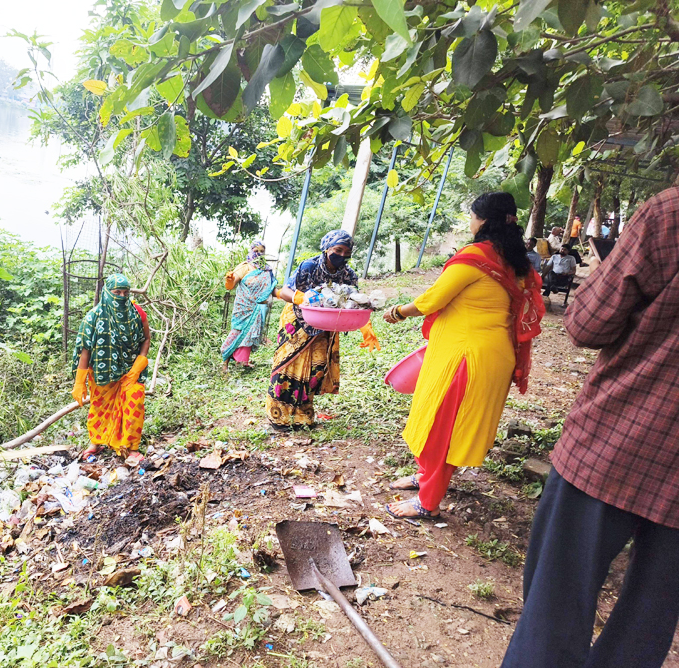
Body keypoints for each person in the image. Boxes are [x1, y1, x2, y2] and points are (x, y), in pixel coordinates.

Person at [500, 187, 679, 668]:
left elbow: (587, 325)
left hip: (617, 442)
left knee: (553, 613)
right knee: (648, 626)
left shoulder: (669, 214)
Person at [385, 193, 544, 519]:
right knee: (451, 425)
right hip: (490, 356)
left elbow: (433, 299)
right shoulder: (514, 259)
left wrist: (398, 312)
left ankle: (427, 503)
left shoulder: (476, 255)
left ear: (483, 220)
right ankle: (427, 478)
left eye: (472, 216)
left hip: (467, 359)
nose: (470, 222)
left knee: (443, 429)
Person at [265, 230, 379, 430]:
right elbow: (284, 291)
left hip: (326, 327)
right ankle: (278, 417)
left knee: (315, 371)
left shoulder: (348, 274)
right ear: (327, 248)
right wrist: (301, 298)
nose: (342, 255)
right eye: (338, 250)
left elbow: (355, 303)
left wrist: (366, 327)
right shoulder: (309, 266)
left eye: (347, 252)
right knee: (287, 367)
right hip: (297, 322)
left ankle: (303, 418)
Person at [71, 274, 151, 461]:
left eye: (125, 292)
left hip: (130, 372)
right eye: (117, 292)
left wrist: (138, 367)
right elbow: (85, 349)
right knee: (99, 407)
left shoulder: (137, 312)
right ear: (107, 292)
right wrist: (79, 382)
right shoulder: (94, 316)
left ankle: (131, 447)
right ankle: (96, 443)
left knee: (135, 403)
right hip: (102, 372)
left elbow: (146, 339)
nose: (121, 296)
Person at [221, 240, 276, 372]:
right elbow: (230, 286)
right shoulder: (245, 267)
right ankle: (225, 362)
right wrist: (229, 279)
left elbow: (272, 289)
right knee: (237, 331)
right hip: (243, 307)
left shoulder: (266, 270)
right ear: (251, 250)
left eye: (261, 251)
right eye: (256, 251)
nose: (259, 253)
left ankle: (242, 361)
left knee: (250, 333)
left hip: (257, 308)